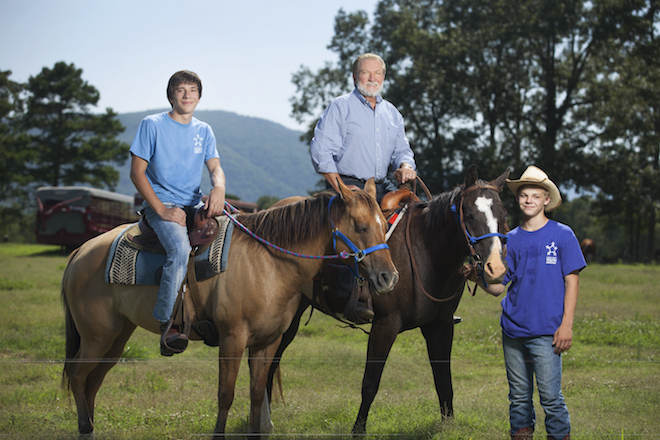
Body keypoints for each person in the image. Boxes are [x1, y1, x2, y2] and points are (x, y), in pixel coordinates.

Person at [462, 165, 586, 440]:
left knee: (551, 397)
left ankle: (559, 435)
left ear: (546, 200)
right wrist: (477, 278)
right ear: (517, 200)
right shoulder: (510, 240)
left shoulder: (563, 235)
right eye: (523, 195)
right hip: (513, 332)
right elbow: (498, 288)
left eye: (535, 195)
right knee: (518, 398)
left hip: (547, 332)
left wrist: (566, 325)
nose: (529, 200)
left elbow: (572, 282)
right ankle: (521, 435)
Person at [310, 53, 417, 320]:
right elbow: (322, 151)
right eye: (365, 73)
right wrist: (341, 190)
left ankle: (415, 297)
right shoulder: (341, 107)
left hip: (381, 186)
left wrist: (405, 165)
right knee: (359, 230)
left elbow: (403, 150)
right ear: (355, 76)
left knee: (416, 221)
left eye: (377, 73)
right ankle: (351, 297)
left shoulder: (392, 113)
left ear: (383, 77)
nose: (371, 78)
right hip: (350, 187)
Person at [129, 70, 226, 356]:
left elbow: (215, 168)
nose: (187, 95)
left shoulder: (204, 130)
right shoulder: (152, 125)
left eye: (193, 90)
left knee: (231, 235)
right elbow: (137, 173)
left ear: (199, 96)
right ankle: (167, 322)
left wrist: (218, 187)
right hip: (160, 204)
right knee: (180, 250)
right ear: (171, 95)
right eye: (181, 90)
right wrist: (161, 210)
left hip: (193, 202)